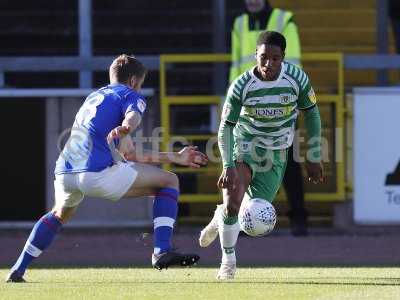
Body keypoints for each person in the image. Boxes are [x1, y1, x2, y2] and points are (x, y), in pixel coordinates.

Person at [6, 54, 208, 283]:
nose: (139, 89)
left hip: (65, 172)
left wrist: (175, 156)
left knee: (58, 214)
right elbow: (133, 117)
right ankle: (161, 250)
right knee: (170, 182)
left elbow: (129, 155)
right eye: (140, 84)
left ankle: (18, 268)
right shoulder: (129, 95)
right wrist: (126, 126)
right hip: (96, 173)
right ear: (133, 81)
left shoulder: (95, 96)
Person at [199, 31, 324, 280]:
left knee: (253, 214)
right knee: (234, 200)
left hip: (277, 151)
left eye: (275, 58)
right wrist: (227, 164)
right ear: (255, 55)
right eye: (263, 57)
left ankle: (220, 216)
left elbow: (311, 114)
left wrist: (313, 155)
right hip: (246, 145)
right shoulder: (242, 85)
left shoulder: (297, 78)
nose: (268, 64)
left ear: (283, 58)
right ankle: (228, 261)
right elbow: (226, 127)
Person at [230, 0, 308, 235]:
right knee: (244, 164)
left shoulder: (285, 20)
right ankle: (246, 219)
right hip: (250, 111)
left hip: (280, 107)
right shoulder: (239, 23)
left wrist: (292, 102)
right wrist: (233, 106)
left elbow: (293, 64)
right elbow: (236, 67)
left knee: (289, 164)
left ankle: (299, 217)